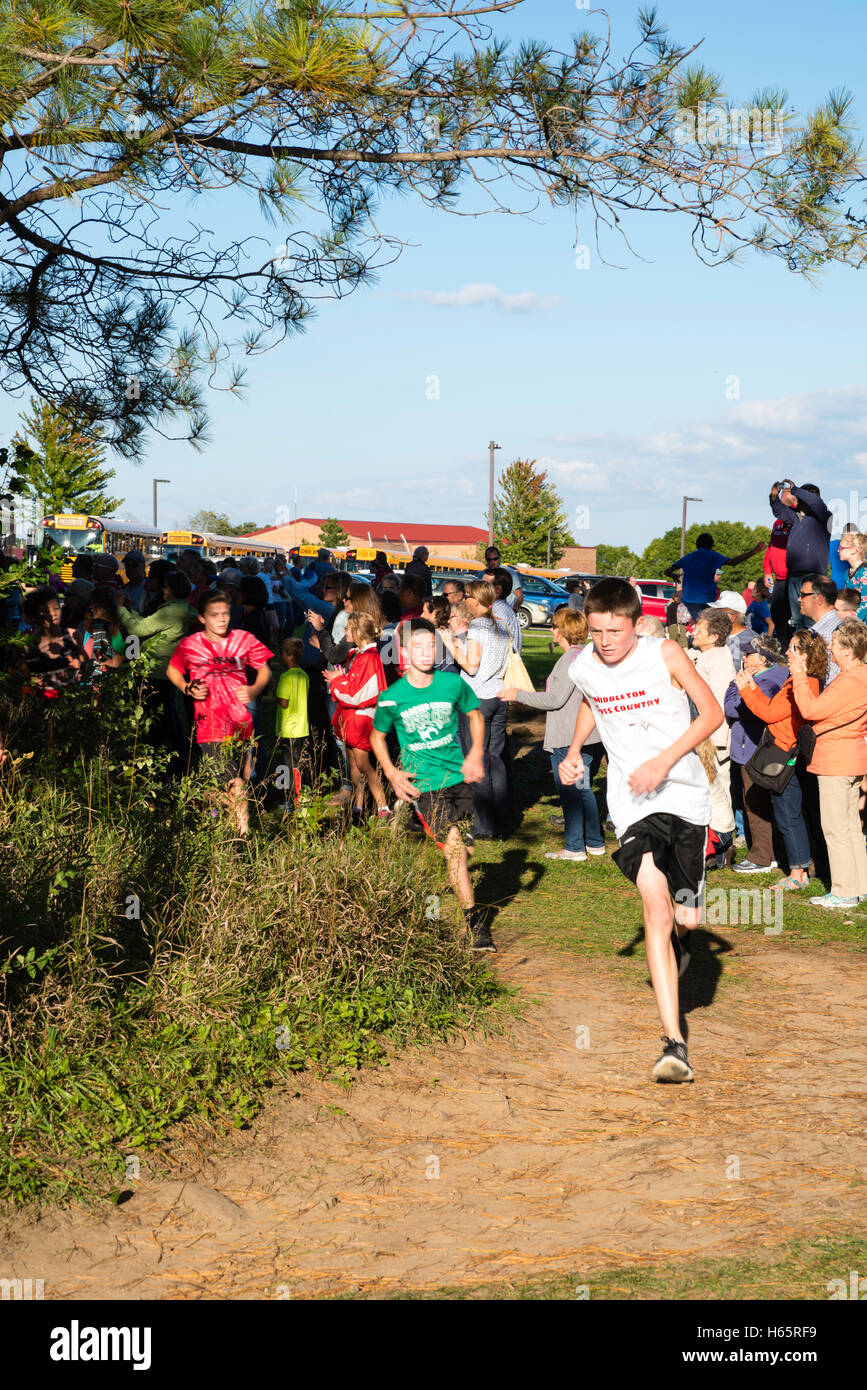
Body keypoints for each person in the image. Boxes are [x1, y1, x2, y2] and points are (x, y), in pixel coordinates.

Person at [559, 578, 724, 1084]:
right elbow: (591, 701)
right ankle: (674, 1043)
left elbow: (712, 714)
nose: (605, 640)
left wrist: (663, 761)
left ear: (635, 623)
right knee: (654, 906)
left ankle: (684, 937)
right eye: (596, 631)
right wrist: (572, 752)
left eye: (616, 630)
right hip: (631, 800)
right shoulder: (584, 664)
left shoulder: (666, 653)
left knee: (687, 920)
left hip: (683, 794)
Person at [370, 619, 491, 949]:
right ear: (405, 653)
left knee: (464, 850)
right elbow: (377, 737)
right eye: (418, 647)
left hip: (458, 778)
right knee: (454, 850)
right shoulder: (392, 697)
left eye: (430, 647)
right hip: (424, 784)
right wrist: (393, 774)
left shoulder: (452, 685)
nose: (426, 652)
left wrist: (476, 754)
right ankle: (475, 925)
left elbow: (476, 715)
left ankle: (434, 853)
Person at [499, 606, 605, 861]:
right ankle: (594, 842)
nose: (551, 630)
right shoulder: (588, 654)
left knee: (570, 790)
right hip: (589, 734)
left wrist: (518, 695)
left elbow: (554, 699)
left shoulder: (569, 659)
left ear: (563, 631)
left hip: (569, 736)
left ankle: (575, 847)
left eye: (555, 625)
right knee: (584, 788)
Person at [167, 590, 273, 835]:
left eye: (225, 613)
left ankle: (205, 805)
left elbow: (264, 669)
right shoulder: (190, 644)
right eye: (215, 615)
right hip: (209, 724)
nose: (222, 619)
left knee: (236, 780)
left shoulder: (243, 639)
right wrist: (186, 687)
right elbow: (173, 669)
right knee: (235, 783)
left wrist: (255, 688)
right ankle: (242, 835)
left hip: (240, 722)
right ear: (202, 618)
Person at [735, 630, 827, 892]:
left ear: (805, 655)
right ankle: (805, 865)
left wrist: (744, 688)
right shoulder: (806, 680)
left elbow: (768, 713)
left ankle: (798, 872)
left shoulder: (802, 683)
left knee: (788, 815)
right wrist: (752, 687)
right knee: (797, 814)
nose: (787, 651)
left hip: (787, 754)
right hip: (793, 753)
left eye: (793, 648)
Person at [787, 619, 867, 908]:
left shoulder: (850, 680)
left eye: (834, 643)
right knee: (850, 827)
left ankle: (845, 891)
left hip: (837, 760)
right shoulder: (861, 676)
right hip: (851, 757)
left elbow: (810, 710)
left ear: (847, 649)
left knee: (836, 829)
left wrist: (797, 672)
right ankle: (859, 885)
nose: (829, 647)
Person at [439, 579, 510, 840]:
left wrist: (450, 643)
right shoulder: (501, 627)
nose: (463, 600)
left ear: (476, 601)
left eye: (467, 596)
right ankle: (502, 820)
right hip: (499, 695)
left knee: (477, 760)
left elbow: (471, 666)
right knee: (496, 761)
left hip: (477, 699)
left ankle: (484, 827)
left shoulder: (479, 628)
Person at [118, 571, 196, 771]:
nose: (163, 590)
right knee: (169, 717)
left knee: (159, 720)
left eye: (166, 586)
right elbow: (147, 624)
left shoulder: (171, 611)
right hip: (165, 670)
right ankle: (179, 760)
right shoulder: (180, 608)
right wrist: (129, 610)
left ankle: (168, 761)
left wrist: (120, 609)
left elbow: (139, 630)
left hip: (155, 670)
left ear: (171, 589)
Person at [724, 639, 789, 874]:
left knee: (755, 802)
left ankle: (762, 856)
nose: (744, 658)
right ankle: (772, 853)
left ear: (763, 659)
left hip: (752, 751)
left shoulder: (766, 682)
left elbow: (732, 708)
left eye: (749, 654)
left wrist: (734, 684)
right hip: (763, 749)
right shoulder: (779, 675)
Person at [325, 612, 390, 822]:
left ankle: (383, 807)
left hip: (362, 717)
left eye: (348, 629)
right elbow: (352, 682)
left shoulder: (370, 658)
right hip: (349, 716)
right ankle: (358, 805)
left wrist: (336, 682)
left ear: (358, 632)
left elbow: (359, 693)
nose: (344, 633)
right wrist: (340, 678)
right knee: (353, 764)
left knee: (363, 764)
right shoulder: (356, 654)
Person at [688, 609, 737, 864]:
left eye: (700, 629)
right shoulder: (701, 654)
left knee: (719, 789)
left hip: (713, 738)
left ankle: (723, 846)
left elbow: (720, 702)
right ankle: (708, 841)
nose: (694, 631)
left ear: (714, 636)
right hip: (699, 734)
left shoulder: (719, 660)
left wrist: (713, 740)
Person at [769, 481, 831, 630]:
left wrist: (795, 489)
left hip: (813, 575)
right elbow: (779, 510)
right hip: (794, 574)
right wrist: (773, 496)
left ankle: (814, 651)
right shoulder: (796, 517)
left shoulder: (824, 516)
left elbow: (816, 503)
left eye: (802, 497)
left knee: (811, 618)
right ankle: (800, 650)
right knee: (797, 619)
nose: (799, 500)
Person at [663, 532, 764, 622]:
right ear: (711, 546)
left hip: (690, 599)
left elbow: (667, 571)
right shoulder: (713, 556)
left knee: (702, 624)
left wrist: (673, 575)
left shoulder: (688, 557)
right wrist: (754, 551)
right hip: (708, 599)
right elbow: (733, 562)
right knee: (710, 625)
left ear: (697, 545)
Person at [22, 586, 86, 695]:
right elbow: (17, 674)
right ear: (34, 615)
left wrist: (79, 666)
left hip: (70, 702)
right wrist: (31, 679)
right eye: (46, 610)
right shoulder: (27, 642)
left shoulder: (73, 635)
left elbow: (86, 665)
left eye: (56, 608)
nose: (53, 614)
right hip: (40, 704)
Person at [275, 636, 310, 810]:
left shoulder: (285, 677)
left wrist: (274, 688)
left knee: (287, 766)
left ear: (289, 656)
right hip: (302, 728)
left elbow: (284, 702)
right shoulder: (304, 675)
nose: (279, 657)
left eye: (281, 654)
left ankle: (289, 801)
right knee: (299, 764)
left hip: (288, 729)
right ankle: (300, 796)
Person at [798, 573, 840, 684]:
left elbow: (829, 681)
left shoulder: (825, 634)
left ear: (819, 599)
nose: (799, 599)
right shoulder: (835, 625)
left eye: (803, 595)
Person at [706, 591, 753, 671]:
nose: (714, 616)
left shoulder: (753, 642)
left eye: (718, 612)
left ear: (732, 618)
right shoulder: (715, 635)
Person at [835, 531, 867, 620]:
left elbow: (866, 603)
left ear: (854, 551)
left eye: (841, 547)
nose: (838, 550)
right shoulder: (847, 573)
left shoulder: (864, 573)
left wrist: (853, 622)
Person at [483, 545, 523, 611]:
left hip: (506, 610)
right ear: (486, 559)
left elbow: (519, 596)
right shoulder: (483, 574)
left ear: (499, 558)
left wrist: (514, 610)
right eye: (489, 559)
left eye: (495, 559)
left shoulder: (510, 573)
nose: (492, 562)